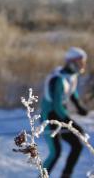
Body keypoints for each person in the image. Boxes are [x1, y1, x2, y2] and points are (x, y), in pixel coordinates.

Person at [41, 47, 89, 178]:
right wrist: (72, 123)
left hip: (61, 116)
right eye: (80, 62)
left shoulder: (72, 76)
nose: (82, 66)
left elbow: (72, 91)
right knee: (55, 152)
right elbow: (57, 106)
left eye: (83, 62)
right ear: (71, 62)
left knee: (76, 146)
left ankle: (66, 175)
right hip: (49, 118)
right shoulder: (58, 79)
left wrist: (79, 106)